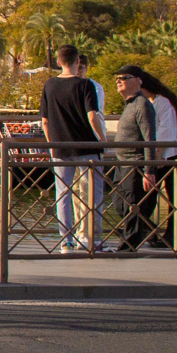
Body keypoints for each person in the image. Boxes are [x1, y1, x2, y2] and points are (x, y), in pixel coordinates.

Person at [39, 45, 106, 252]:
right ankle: (91, 239)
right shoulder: (85, 85)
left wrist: (52, 145)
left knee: (63, 195)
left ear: (58, 62)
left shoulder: (49, 85)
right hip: (86, 146)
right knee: (92, 194)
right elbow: (92, 116)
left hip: (60, 147)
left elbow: (45, 121)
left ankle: (65, 240)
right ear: (78, 61)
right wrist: (102, 140)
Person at [135, 67, 177, 250]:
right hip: (164, 153)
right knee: (153, 193)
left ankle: (170, 234)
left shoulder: (163, 103)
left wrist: (155, 157)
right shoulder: (153, 102)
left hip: (174, 153)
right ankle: (150, 229)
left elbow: (166, 133)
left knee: (172, 194)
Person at [108, 65, 163, 251]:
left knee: (132, 206)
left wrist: (149, 170)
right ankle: (148, 231)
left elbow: (149, 139)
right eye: (117, 78)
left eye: (123, 77)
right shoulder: (130, 104)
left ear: (138, 81)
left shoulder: (142, 105)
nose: (118, 81)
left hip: (135, 164)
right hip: (121, 163)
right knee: (119, 204)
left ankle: (128, 246)